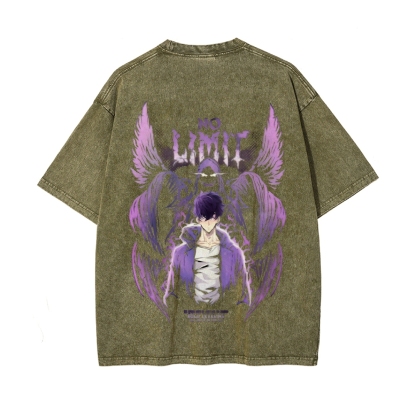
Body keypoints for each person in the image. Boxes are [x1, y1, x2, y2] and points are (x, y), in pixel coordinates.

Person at [163, 191, 251, 307]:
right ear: (198, 219)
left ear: (218, 218)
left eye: (213, 217)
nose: (209, 222)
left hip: (223, 314)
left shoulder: (234, 253)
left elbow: (243, 299)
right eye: (204, 217)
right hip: (190, 314)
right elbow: (172, 295)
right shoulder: (180, 253)